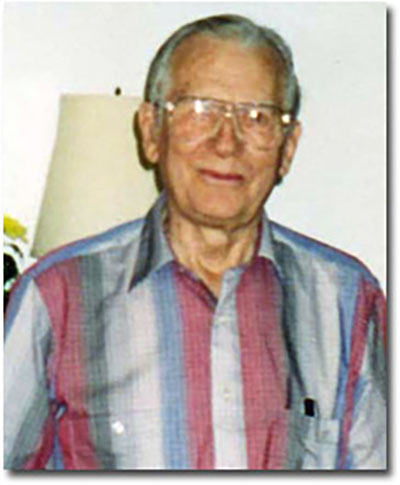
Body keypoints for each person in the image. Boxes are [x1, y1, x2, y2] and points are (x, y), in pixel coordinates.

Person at [4, 14, 386, 470]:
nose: (227, 143)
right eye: (201, 111)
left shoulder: (347, 302)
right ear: (151, 131)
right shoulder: (57, 298)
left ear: (287, 148)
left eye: (257, 117)